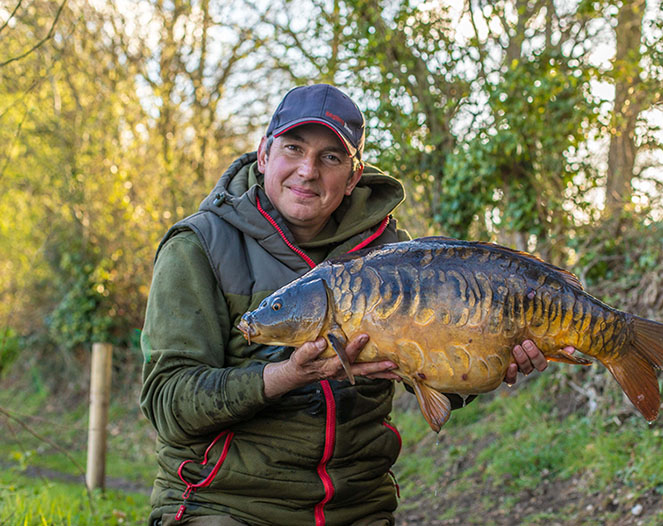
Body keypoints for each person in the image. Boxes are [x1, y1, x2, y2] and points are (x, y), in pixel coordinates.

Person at [140, 84, 564, 526]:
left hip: (358, 504)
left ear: (353, 175)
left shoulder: (390, 253)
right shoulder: (199, 246)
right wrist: (285, 376)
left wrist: (491, 357)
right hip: (225, 503)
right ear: (264, 155)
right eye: (294, 148)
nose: (307, 170)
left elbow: (438, 380)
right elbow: (169, 404)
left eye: (331, 157)